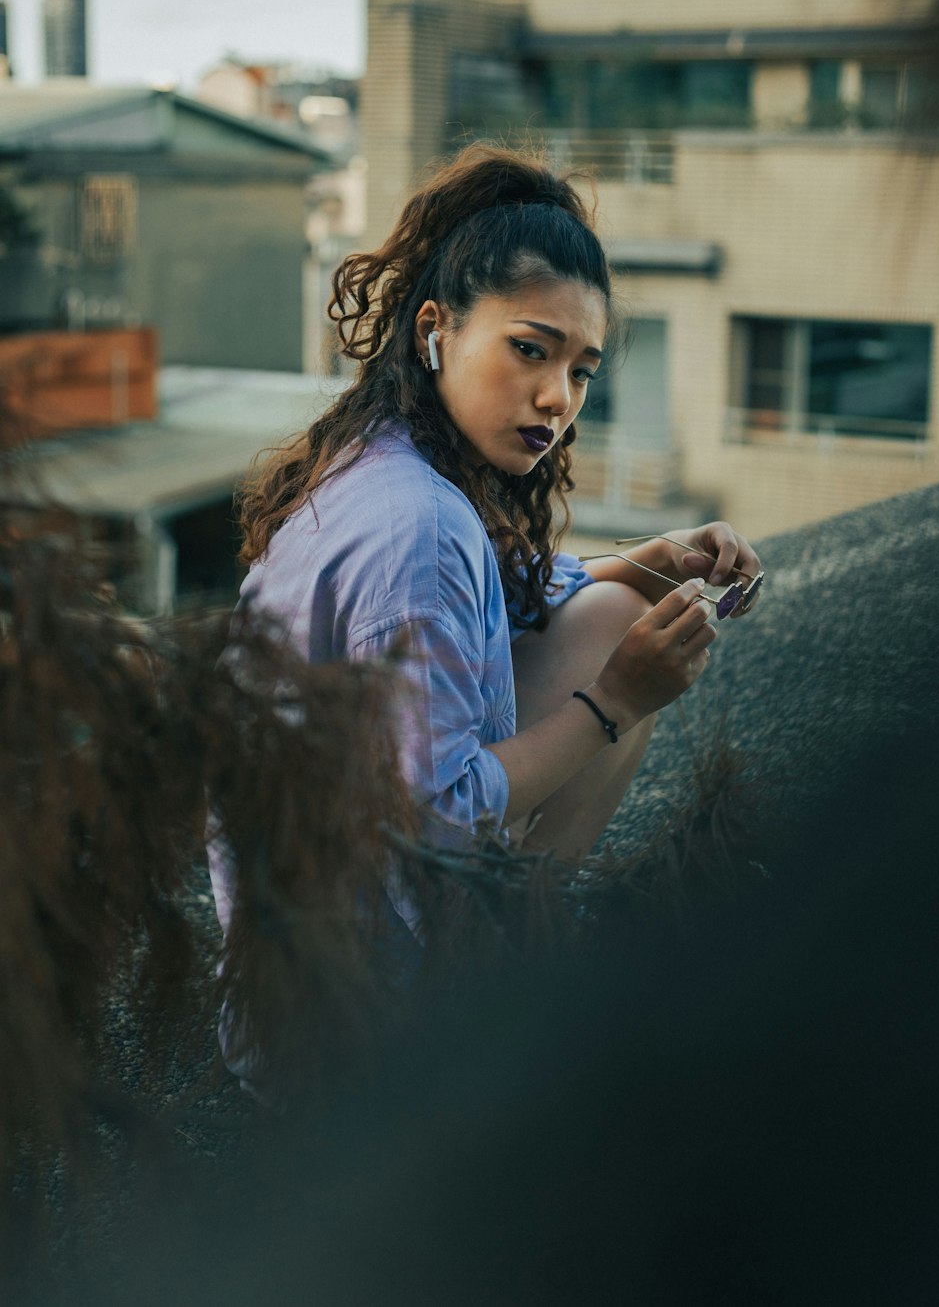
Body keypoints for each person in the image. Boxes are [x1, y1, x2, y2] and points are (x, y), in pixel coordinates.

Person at [233, 145, 760, 869]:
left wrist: (653, 558)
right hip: (357, 956)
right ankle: (509, 960)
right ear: (434, 331)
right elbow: (430, 819)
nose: (558, 399)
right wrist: (618, 700)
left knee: (613, 610)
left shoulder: (380, 456)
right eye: (529, 349)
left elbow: (494, 605)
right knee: (618, 639)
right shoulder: (419, 526)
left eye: (580, 371)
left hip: (312, 895)